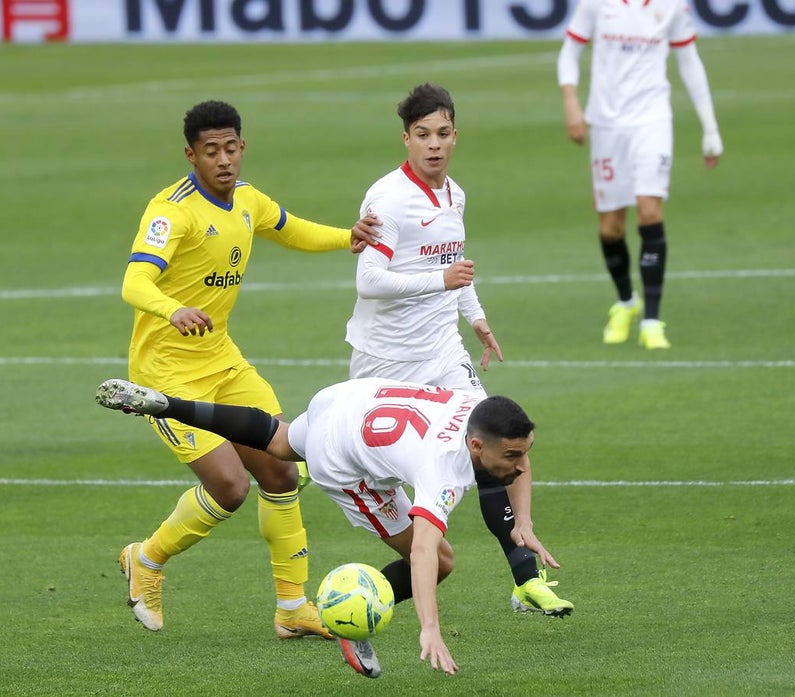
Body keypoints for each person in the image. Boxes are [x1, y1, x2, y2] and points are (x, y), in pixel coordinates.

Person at [114, 99, 379, 636]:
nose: (224, 159)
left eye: (231, 147)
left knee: (282, 471)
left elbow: (290, 228)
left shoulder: (247, 201)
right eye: (211, 150)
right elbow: (134, 283)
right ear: (191, 154)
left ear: (242, 147)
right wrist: (173, 308)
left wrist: (345, 238)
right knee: (231, 488)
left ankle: (292, 609)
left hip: (224, 365)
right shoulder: (172, 211)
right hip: (165, 376)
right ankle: (146, 560)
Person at [95, 376, 549, 678]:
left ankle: (166, 404)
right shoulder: (443, 468)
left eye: (523, 451)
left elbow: (515, 460)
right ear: (474, 444)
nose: (520, 463)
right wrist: (429, 626)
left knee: (277, 440)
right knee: (441, 561)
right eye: (512, 455)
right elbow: (426, 551)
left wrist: (523, 521)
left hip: (346, 399)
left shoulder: (478, 409)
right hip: (342, 461)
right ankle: (352, 625)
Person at [345, 83, 572, 617]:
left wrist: (476, 317)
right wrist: (438, 280)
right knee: (368, 471)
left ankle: (525, 578)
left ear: (455, 136)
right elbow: (369, 280)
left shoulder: (455, 195)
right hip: (385, 361)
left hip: (444, 352)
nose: (434, 145)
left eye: (443, 134)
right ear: (406, 139)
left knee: (496, 445)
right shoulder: (388, 199)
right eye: (422, 135)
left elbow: (456, 262)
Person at [558, 0, 723, 349]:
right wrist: (572, 104)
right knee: (611, 226)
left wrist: (710, 128)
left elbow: (689, 61)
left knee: (650, 210)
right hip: (605, 123)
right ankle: (626, 302)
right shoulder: (596, 5)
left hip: (652, 119)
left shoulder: (673, 6)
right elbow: (569, 53)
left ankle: (652, 320)